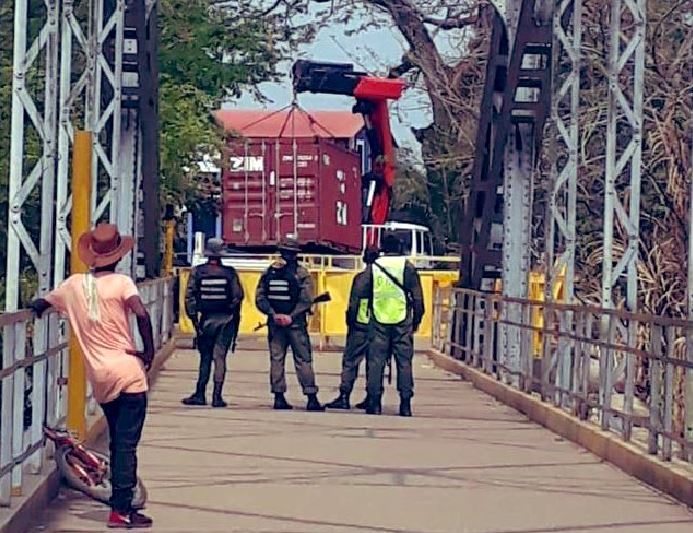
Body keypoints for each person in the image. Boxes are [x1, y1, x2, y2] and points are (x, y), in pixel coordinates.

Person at [29, 223, 154, 529]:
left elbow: (41, 304)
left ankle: (122, 502)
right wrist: (148, 353)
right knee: (126, 445)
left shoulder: (72, 286)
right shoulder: (123, 283)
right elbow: (142, 314)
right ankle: (121, 510)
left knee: (116, 441)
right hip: (128, 373)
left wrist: (33, 311)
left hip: (101, 377)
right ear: (118, 256)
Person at [255, 237, 324, 411]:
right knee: (303, 359)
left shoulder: (268, 273)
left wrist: (273, 314)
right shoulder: (301, 274)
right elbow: (306, 300)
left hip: (275, 324)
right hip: (296, 325)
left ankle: (279, 397)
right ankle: (311, 397)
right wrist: (291, 316)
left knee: (277, 359)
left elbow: (260, 298)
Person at [365, 234, 424, 417]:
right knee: (404, 363)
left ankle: (374, 403)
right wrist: (416, 321)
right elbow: (418, 299)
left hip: (378, 319)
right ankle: (405, 404)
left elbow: (359, 292)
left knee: (376, 362)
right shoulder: (407, 268)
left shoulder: (374, 268)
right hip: (402, 320)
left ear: (383, 248)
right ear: (399, 247)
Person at [182, 238, 244, 408]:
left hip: (206, 319)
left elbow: (189, 297)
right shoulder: (230, 273)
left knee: (205, 358)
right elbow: (238, 296)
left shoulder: (198, 272)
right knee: (220, 357)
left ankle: (200, 393)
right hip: (226, 319)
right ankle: (217, 396)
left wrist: (194, 319)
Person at [325, 246, 380, 410]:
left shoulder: (362, 278)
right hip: (379, 325)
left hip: (360, 325)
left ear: (365, 259)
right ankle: (373, 398)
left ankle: (344, 396)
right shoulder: (384, 278)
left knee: (350, 362)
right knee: (375, 363)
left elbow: (355, 302)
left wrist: (350, 320)